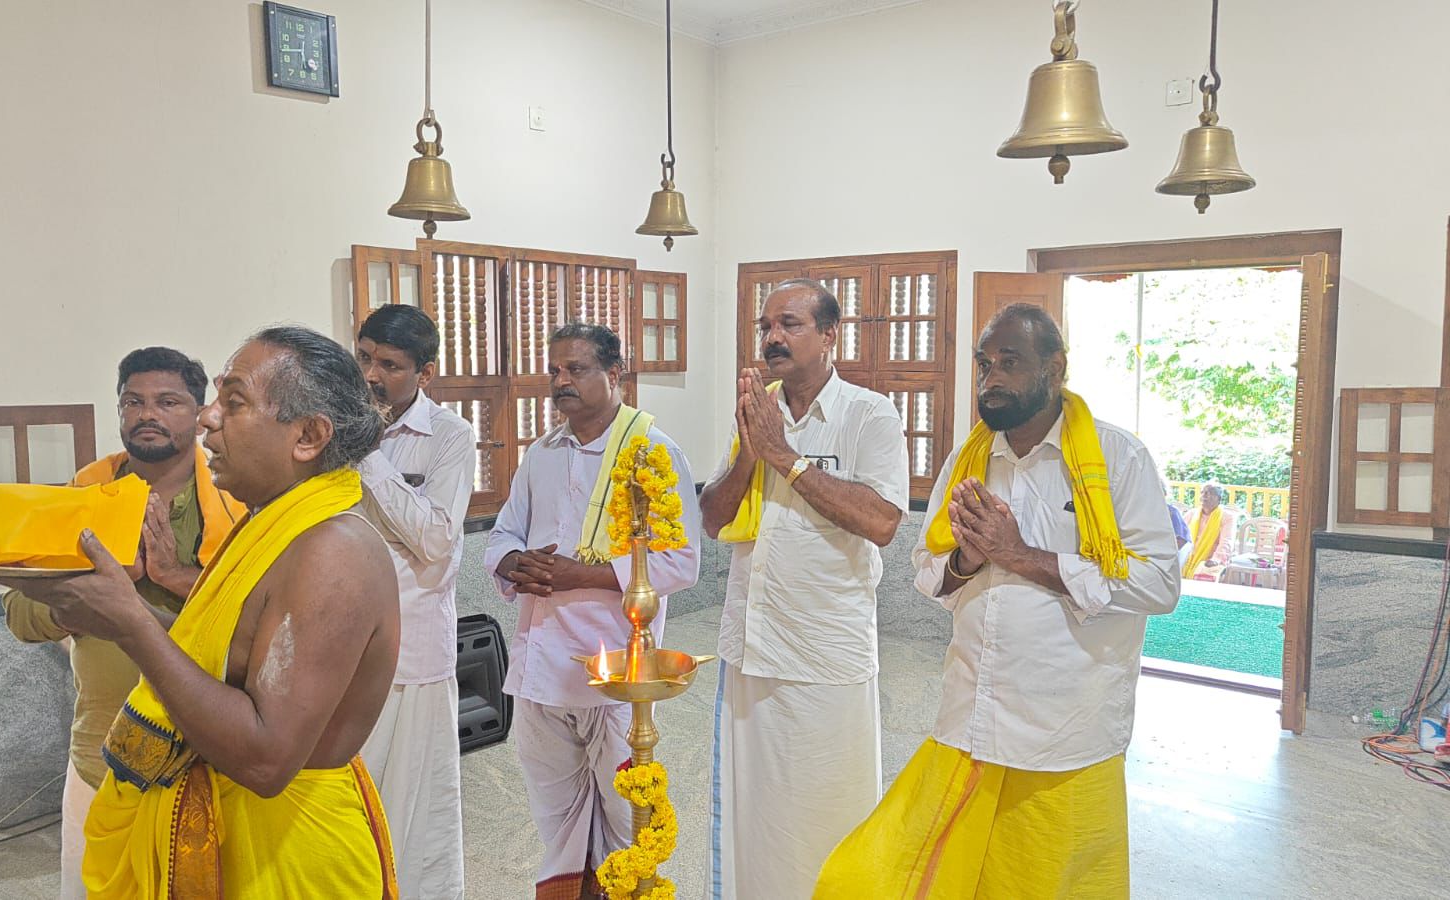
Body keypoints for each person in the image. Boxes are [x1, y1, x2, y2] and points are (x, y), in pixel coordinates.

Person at [1, 326, 402, 899]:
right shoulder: (269, 525)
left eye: (233, 402)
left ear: (309, 436)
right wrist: (113, 610)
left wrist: (132, 624)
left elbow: (265, 760)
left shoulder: (332, 549)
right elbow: (221, 659)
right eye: (216, 398)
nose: (208, 418)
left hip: (282, 848)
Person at [815, 304, 1181, 898]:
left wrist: (1021, 554)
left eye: (1010, 362)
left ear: (1055, 368)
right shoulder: (970, 460)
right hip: (972, 718)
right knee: (887, 877)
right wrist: (968, 559)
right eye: (984, 364)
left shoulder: (1119, 458)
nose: (991, 378)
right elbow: (928, 571)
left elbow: (1159, 583)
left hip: (1067, 732)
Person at [1, 347, 245, 900]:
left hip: (210, 755)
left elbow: (259, 620)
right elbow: (19, 615)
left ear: (200, 412)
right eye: (133, 402)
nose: (147, 414)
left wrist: (175, 577)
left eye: (168, 402)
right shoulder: (83, 498)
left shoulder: (236, 500)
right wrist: (91, 588)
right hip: (101, 753)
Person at [699, 278, 908, 900]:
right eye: (766, 326)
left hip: (825, 653)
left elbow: (882, 522)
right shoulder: (756, 411)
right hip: (752, 648)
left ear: (830, 335)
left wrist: (786, 458)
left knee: (829, 812)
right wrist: (751, 451)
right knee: (754, 815)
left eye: (789, 324)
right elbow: (713, 519)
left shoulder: (869, 414)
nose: (772, 337)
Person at [484, 323, 699, 899]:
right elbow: (502, 535)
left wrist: (584, 575)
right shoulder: (541, 454)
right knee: (555, 818)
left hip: (615, 672)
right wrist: (516, 563)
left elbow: (681, 563)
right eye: (554, 371)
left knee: (625, 817)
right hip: (541, 664)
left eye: (576, 369)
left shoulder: (652, 452)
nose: (561, 381)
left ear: (615, 374)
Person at [353, 304, 474, 899]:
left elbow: (434, 540)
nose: (371, 375)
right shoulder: (330, 427)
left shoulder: (450, 437)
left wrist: (367, 454)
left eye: (390, 365)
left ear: (425, 373)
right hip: (343, 642)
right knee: (349, 799)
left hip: (413, 648)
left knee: (414, 809)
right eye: (364, 358)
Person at [1183, 482, 1234, 580]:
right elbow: (1179, 536)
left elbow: (1226, 542)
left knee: (1205, 572)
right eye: (1202, 492)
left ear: (1219, 499)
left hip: (1210, 560)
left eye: (1209, 493)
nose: (1204, 496)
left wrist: (1216, 559)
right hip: (1188, 557)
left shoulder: (1227, 517)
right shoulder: (1191, 514)